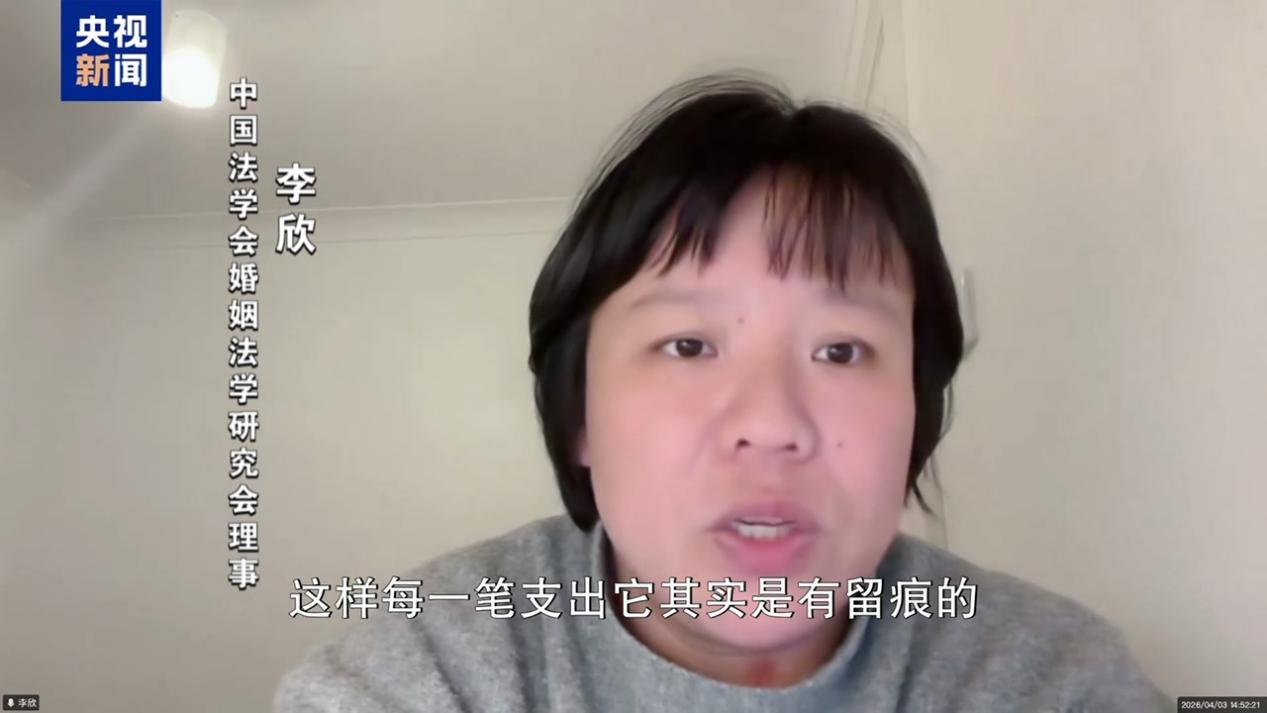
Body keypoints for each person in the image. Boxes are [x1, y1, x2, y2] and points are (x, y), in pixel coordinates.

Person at [275, 73, 1168, 712]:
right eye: (688, 344)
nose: (772, 423)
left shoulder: (1046, 676)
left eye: (842, 349)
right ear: (578, 412)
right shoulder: (439, 660)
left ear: (915, 411)